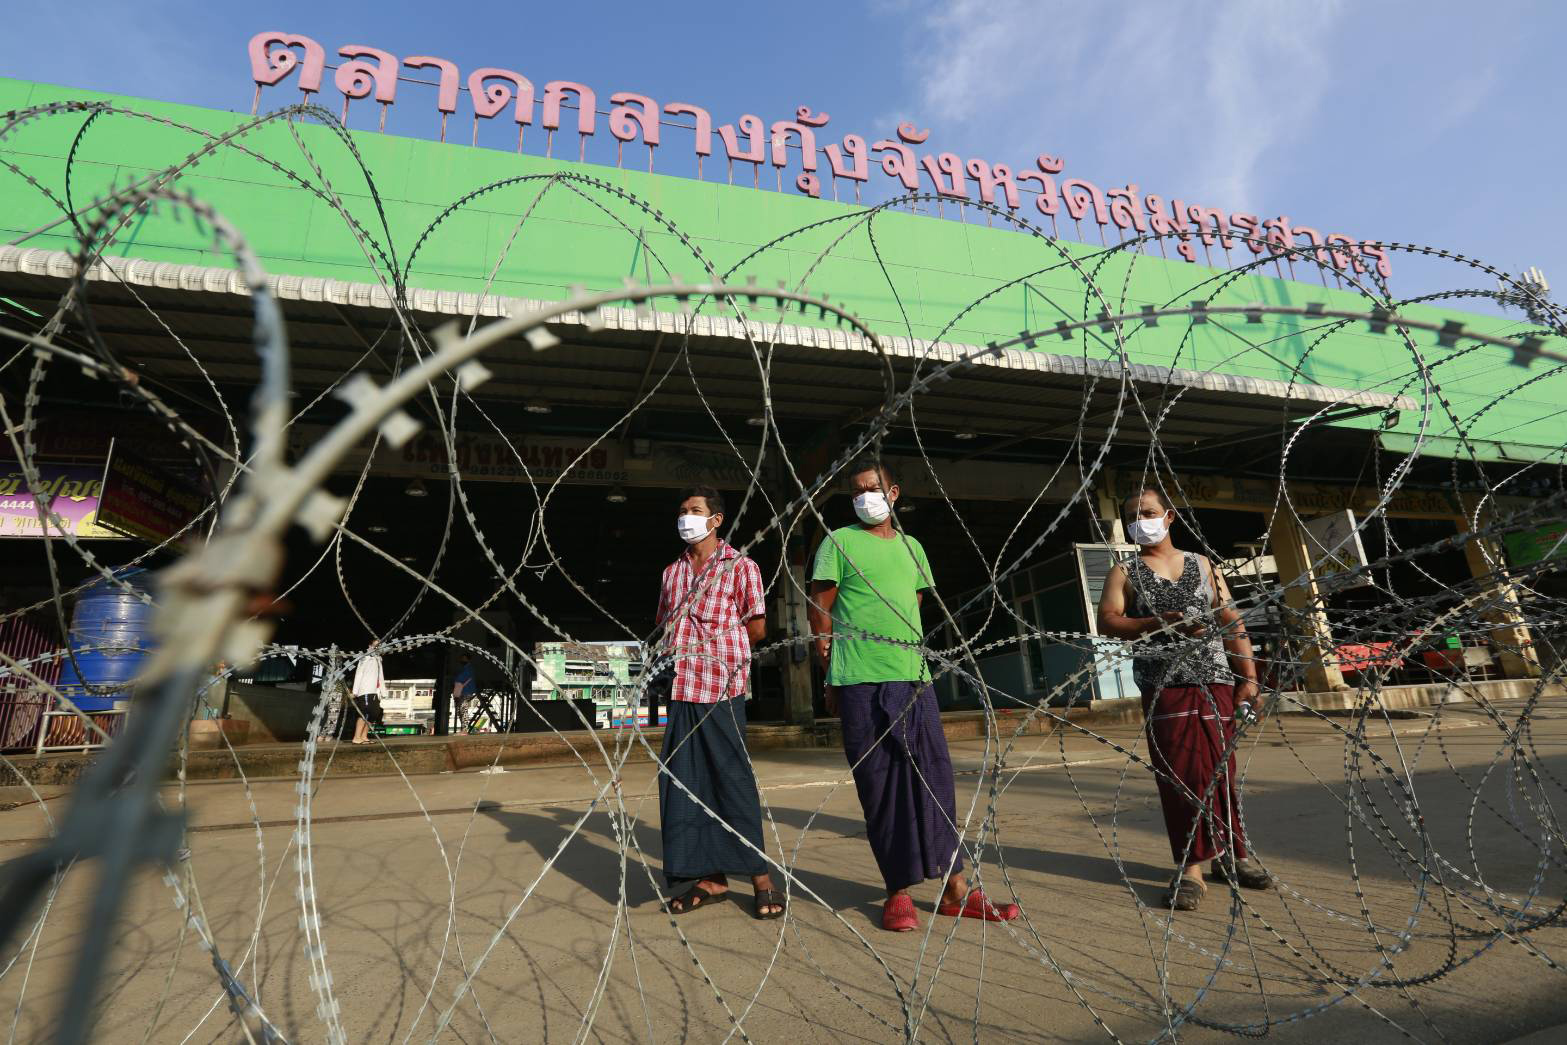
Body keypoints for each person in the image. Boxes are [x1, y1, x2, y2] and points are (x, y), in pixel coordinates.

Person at [808, 458, 1020, 932]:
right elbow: (819, 612)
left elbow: (914, 604)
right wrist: (832, 673)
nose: (866, 497)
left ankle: (956, 889)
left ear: (895, 492)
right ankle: (896, 890)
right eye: (858, 491)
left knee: (934, 781)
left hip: (912, 676)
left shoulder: (913, 547)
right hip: (859, 680)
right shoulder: (838, 543)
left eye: (874, 488)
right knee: (881, 786)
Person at [1097, 486, 1271, 911]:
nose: (1142, 520)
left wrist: (1248, 677)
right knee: (1180, 778)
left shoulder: (1202, 565)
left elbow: (1231, 620)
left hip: (1215, 680)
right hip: (1164, 685)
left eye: (1149, 512)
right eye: (1133, 515)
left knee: (1220, 771)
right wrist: (1158, 622)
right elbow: (1108, 621)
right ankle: (1191, 868)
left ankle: (1234, 857)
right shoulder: (1126, 572)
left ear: (1169, 516)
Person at [654, 485, 784, 920]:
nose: (685, 518)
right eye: (681, 511)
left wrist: (717, 650)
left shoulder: (740, 567)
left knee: (732, 782)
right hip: (681, 689)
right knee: (686, 785)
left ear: (716, 519)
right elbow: (665, 626)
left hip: (721, 690)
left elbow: (757, 627)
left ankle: (760, 878)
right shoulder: (672, 572)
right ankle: (709, 877)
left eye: (694, 510)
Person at [349, 641, 387, 746]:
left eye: (379, 645)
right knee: (365, 713)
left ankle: (364, 737)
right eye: (376, 645)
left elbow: (381, 677)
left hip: (375, 692)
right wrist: (355, 691)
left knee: (374, 714)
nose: (378, 647)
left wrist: (383, 692)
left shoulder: (378, 659)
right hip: (365, 690)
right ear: (370, 646)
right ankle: (357, 737)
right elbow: (358, 674)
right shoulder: (365, 658)